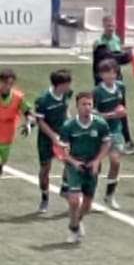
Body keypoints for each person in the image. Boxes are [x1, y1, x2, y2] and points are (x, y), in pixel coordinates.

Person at [59, 92, 112, 244]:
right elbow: (62, 150)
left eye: (89, 104)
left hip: (92, 165)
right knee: (74, 200)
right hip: (75, 165)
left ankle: (76, 221)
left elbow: (107, 142)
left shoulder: (100, 124)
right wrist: (73, 162)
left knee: (87, 204)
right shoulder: (69, 126)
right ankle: (73, 229)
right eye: (84, 104)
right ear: (77, 106)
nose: (87, 107)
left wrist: (97, 161)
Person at [91, 14, 134, 154]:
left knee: (120, 109)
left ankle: (125, 140)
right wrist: (130, 56)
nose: (111, 28)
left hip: (116, 79)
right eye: (108, 26)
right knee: (102, 110)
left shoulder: (116, 39)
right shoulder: (99, 42)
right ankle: (100, 138)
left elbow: (118, 58)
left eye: (112, 25)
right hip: (103, 80)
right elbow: (112, 58)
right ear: (103, 26)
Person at [33, 69, 74, 214]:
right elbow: (40, 122)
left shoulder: (67, 93)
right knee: (45, 170)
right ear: (59, 85)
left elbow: (66, 109)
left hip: (62, 134)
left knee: (70, 162)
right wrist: (53, 137)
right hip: (46, 139)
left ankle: (64, 188)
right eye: (67, 84)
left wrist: (69, 123)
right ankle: (44, 198)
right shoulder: (43, 100)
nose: (69, 87)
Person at [92, 59, 128, 210]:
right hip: (99, 132)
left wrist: (122, 112)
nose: (110, 75)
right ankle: (90, 196)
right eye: (106, 73)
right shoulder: (97, 92)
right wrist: (111, 115)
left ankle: (110, 195)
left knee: (116, 162)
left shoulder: (120, 87)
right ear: (101, 75)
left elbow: (123, 107)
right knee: (95, 167)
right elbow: (92, 113)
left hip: (115, 130)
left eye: (112, 72)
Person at [0, 69, 34, 177]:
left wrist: (28, 124)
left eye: (10, 83)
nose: (8, 86)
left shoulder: (18, 97)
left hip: (7, 136)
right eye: (5, 83)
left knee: (2, 162)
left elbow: (28, 112)